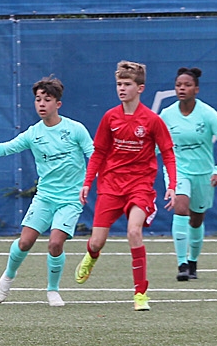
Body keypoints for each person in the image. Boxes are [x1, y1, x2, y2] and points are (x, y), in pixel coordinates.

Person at [0, 76, 93, 307]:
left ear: (58, 104)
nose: (41, 104)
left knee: (55, 244)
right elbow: (8, 147)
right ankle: (8, 276)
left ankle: (52, 290)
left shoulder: (75, 129)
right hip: (45, 197)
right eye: (38, 99)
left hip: (70, 199)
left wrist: (91, 180)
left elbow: (94, 155)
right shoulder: (33, 133)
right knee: (25, 242)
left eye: (47, 99)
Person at [75, 61, 177, 312]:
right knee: (97, 241)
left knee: (134, 231)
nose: (121, 88)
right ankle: (92, 255)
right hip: (110, 185)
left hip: (140, 186)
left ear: (140, 88)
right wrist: (87, 182)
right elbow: (99, 152)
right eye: (119, 84)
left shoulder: (152, 120)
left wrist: (172, 185)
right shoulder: (110, 117)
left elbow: (168, 152)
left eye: (127, 84)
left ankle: (140, 294)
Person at [159, 67, 217, 281]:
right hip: (178, 171)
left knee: (196, 220)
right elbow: (156, 145)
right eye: (178, 85)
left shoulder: (207, 113)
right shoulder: (166, 115)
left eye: (187, 85)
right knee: (180, 207)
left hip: (203, 174)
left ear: (196, 89)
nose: (182, 89)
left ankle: (193, 261)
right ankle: (182, 264)